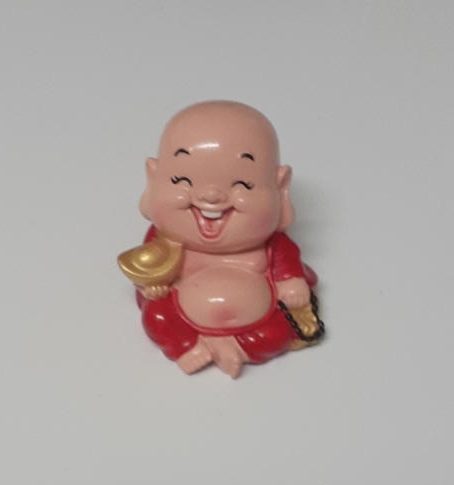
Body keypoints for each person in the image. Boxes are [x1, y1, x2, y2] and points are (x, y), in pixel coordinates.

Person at [132, 101, 318, 378]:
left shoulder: (272, 243)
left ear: (280, 188)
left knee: (282, 328)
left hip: (260, 317)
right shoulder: (164, 240)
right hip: (182, 311)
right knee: (157, 316)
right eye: (182, 180)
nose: (210, 196)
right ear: (153, 178)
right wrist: (153, 283)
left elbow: (288, 266)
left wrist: (291, 282)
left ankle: (237, 348)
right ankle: (187, 346)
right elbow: (146, 269)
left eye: (243, 185)